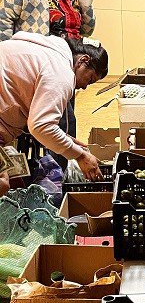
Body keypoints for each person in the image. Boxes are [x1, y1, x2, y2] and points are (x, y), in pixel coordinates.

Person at [0, 0, 96, 166]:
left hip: (67, 63)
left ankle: (60, 170)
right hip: (42, 66)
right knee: (53, 122)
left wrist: (86, 5)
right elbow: (4, 18)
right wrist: (8, 51)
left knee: (65, 120)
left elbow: (86, 29)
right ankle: (59, 173)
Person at [0, 32, 108, 196]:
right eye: (90, 79)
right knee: (3, 183)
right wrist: (80, 156)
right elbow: (41, 126)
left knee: (14, 180)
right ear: (83, 61)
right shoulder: (61, 73)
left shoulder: (47, 50)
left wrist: (65, 139)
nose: (85, 87)